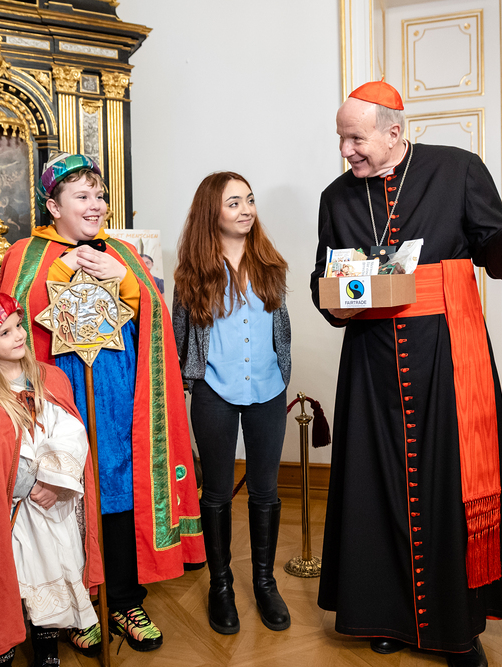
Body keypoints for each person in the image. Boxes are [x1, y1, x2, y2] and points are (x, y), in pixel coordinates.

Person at [309, 81, 502, 667]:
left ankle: (458, 626)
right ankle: (385, 613)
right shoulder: (335, 197)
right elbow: (324, 279)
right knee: (376, 483)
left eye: (355, 138)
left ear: (394, 132)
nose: (345, 150)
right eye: (341, 138)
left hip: (447, 353)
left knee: (451, 481)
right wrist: (336, 302)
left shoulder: (457, 169)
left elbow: (491, 251)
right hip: (371, 360)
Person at [0, 153, 204, 653]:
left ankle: (125, 600)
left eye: (100, 195)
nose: (95, 205)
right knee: (68, 492)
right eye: (82, 196)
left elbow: (152, 316)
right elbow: (10, 321)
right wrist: (61, 270)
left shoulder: (121, 252)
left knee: (117, 493)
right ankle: (79, 604)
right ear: (54, 206)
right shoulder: (27, 253)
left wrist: (125, 277)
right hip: (59, 398)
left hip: (120, 399)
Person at [0, 292, 104, 666]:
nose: (19, 335)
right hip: (14, 511)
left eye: (18, 325)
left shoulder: (50, 378)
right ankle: (3, 650)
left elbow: (72, 433)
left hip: (54, 504)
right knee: (15, 577)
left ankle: (47, 649)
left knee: (54, 568)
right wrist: (28, 483)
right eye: (5, 333)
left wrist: (53, 482)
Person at [172, 172, 291, 635]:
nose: (246, 210)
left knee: (265, 491)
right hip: (213, 392)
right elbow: (181, 337)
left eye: (250, 200)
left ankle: (265, 582)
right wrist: (188, 381)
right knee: (217, 492)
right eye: (234, 202)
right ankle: (220, 586)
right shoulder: (192, 274)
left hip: (268, 390)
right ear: (212, 212)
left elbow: (281, 331)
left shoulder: (270, 265)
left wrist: (282, 374)